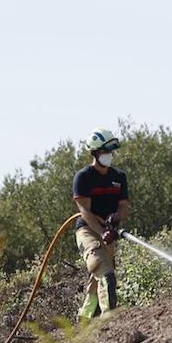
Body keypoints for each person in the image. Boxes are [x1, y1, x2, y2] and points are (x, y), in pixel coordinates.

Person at [73, 128, 129, 319]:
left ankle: (86, 317)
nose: (110, 155)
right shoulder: (84, 177)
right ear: (96, 153)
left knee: (98, 277)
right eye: (106, 152)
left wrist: (116, 218)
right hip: (88, 230)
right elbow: (85, 212)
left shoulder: (119, 177)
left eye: (111, 152)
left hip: (109, 231)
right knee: (105, 273)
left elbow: (123, 205)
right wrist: (101, 231)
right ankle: (108, 319)